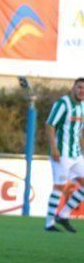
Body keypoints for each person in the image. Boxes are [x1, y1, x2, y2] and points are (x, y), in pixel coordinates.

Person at [44, 78, 84, 232]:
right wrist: (54, 148)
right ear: (73, 88)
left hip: (76, 155)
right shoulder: (63, 104)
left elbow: (80, 131)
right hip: (62, 154)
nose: (82, 91)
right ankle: (49, 223)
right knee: (59, 187)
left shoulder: (83, 107)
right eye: (79, 87)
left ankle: (63, 214)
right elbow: (50, 125)